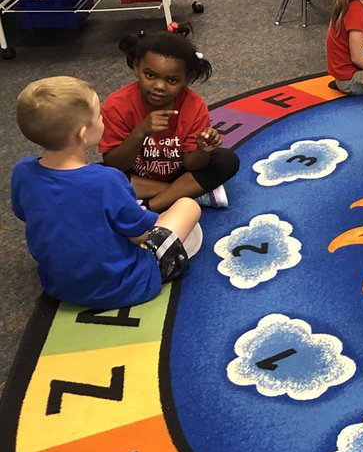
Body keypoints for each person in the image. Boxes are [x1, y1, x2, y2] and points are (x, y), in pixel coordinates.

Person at [13, 77, 202, 310]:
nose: (103, 118)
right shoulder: (107, 180)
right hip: (129, 284)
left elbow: (25, 213)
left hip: (60, 285)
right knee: (188, 206)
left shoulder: (22, 171)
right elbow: (140, 236)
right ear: (83, 134)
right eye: (99, 115)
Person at [101, 25, 239, 211]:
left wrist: (202, 150)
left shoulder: (194, 105)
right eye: (150, 75)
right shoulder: (117, 104)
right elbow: (115, 164)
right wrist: (140, 132)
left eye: (172, 80)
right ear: (136, 67)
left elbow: (192, 164)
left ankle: (149, 207)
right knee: (98, 176)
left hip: (179, 173)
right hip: (137, 177)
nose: (159, 86)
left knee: (226, 160)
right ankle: (188, 194)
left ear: (186, 79)